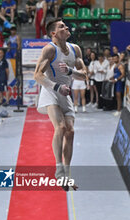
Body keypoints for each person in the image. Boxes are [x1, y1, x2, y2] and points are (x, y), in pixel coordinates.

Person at [34, 18, 87, 190]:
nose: (66, 27)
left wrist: (71, 71)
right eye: (61, 26)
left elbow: (84, 75)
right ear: (53, 34)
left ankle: (67, 173)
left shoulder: (75, 49)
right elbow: (37, 75)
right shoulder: (50, 49)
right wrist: (56, 86)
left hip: (66, 94)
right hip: (51, 91)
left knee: (70, 132)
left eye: (65, 25)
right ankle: (58, 170)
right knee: (61, 127)